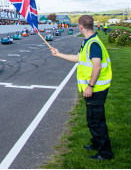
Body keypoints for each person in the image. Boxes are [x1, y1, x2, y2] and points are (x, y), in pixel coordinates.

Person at [49, 15, 113, 160]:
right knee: (92, 119)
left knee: (96, 121)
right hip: (93, 89)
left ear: (81, 27)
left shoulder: (93, 44)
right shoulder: (87, 42)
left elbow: (96, 66)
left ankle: (105, 153)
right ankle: (97, 144)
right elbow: (78, 58)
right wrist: (58, 54)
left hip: (96, 89)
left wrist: (90, 86)